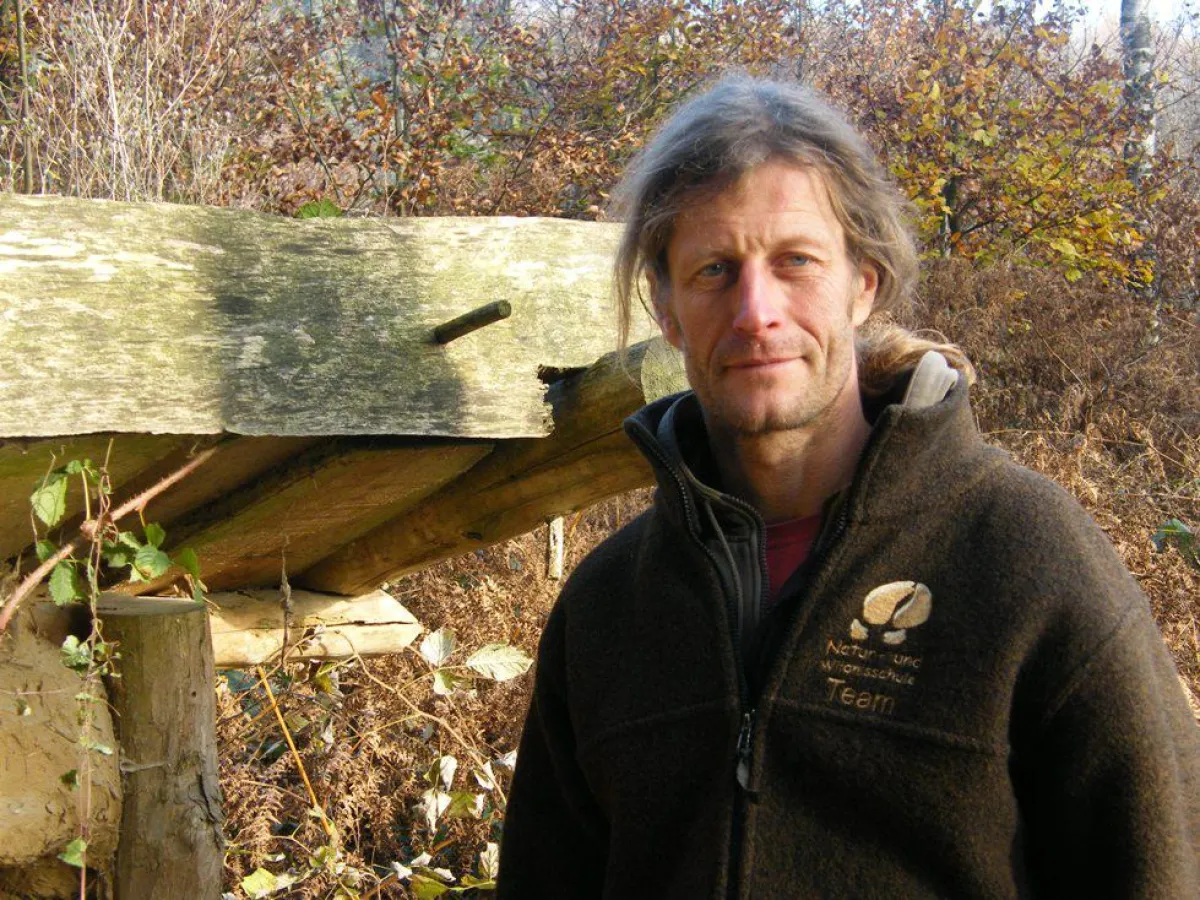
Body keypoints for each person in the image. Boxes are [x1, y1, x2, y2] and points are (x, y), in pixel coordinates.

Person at [496, 76, 1199, 899]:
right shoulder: (608, 608)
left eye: (796, 262)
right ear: (667, 309)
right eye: (715, 270)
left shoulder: (1025, 559)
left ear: (863, 281)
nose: (756, 311)